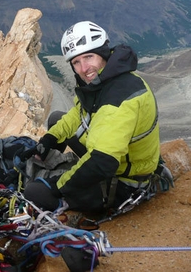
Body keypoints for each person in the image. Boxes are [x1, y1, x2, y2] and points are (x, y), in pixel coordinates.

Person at [23, 21, 162, 214]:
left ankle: (65, 209)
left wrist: (57, 187)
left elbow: (102, 163)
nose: (84, 68)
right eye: (76, 62)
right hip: (113, 155)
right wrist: (48, 140)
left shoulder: (118, 99)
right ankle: (51, 167)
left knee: (35, 193)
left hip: (124, 179)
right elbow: (78, 114)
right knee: (57, 119)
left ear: (103, 53)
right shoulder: (104, 80)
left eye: (89, 57)